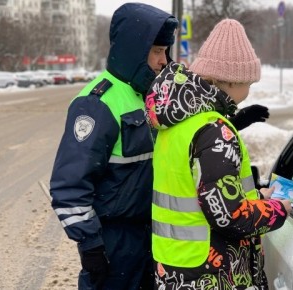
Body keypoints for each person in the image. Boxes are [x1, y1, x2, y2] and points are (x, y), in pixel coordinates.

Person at [145, 19, 292, 289]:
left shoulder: (178, 122)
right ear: (232, 81)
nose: (249, 90)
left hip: (176, 266)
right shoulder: (214, 131)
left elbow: (199, 191)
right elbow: (228, 215)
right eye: (249, 82)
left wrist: (256, 197)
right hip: (209, 274)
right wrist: (276, 211)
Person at [49, 3, 178, 290]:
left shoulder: (147, 96)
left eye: (165, 52)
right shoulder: (97, 103)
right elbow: (69, 186)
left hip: (150, 235)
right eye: (157, 51)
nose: (163, 61)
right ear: (134, 49)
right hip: (113, 242)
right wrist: (91, 245)